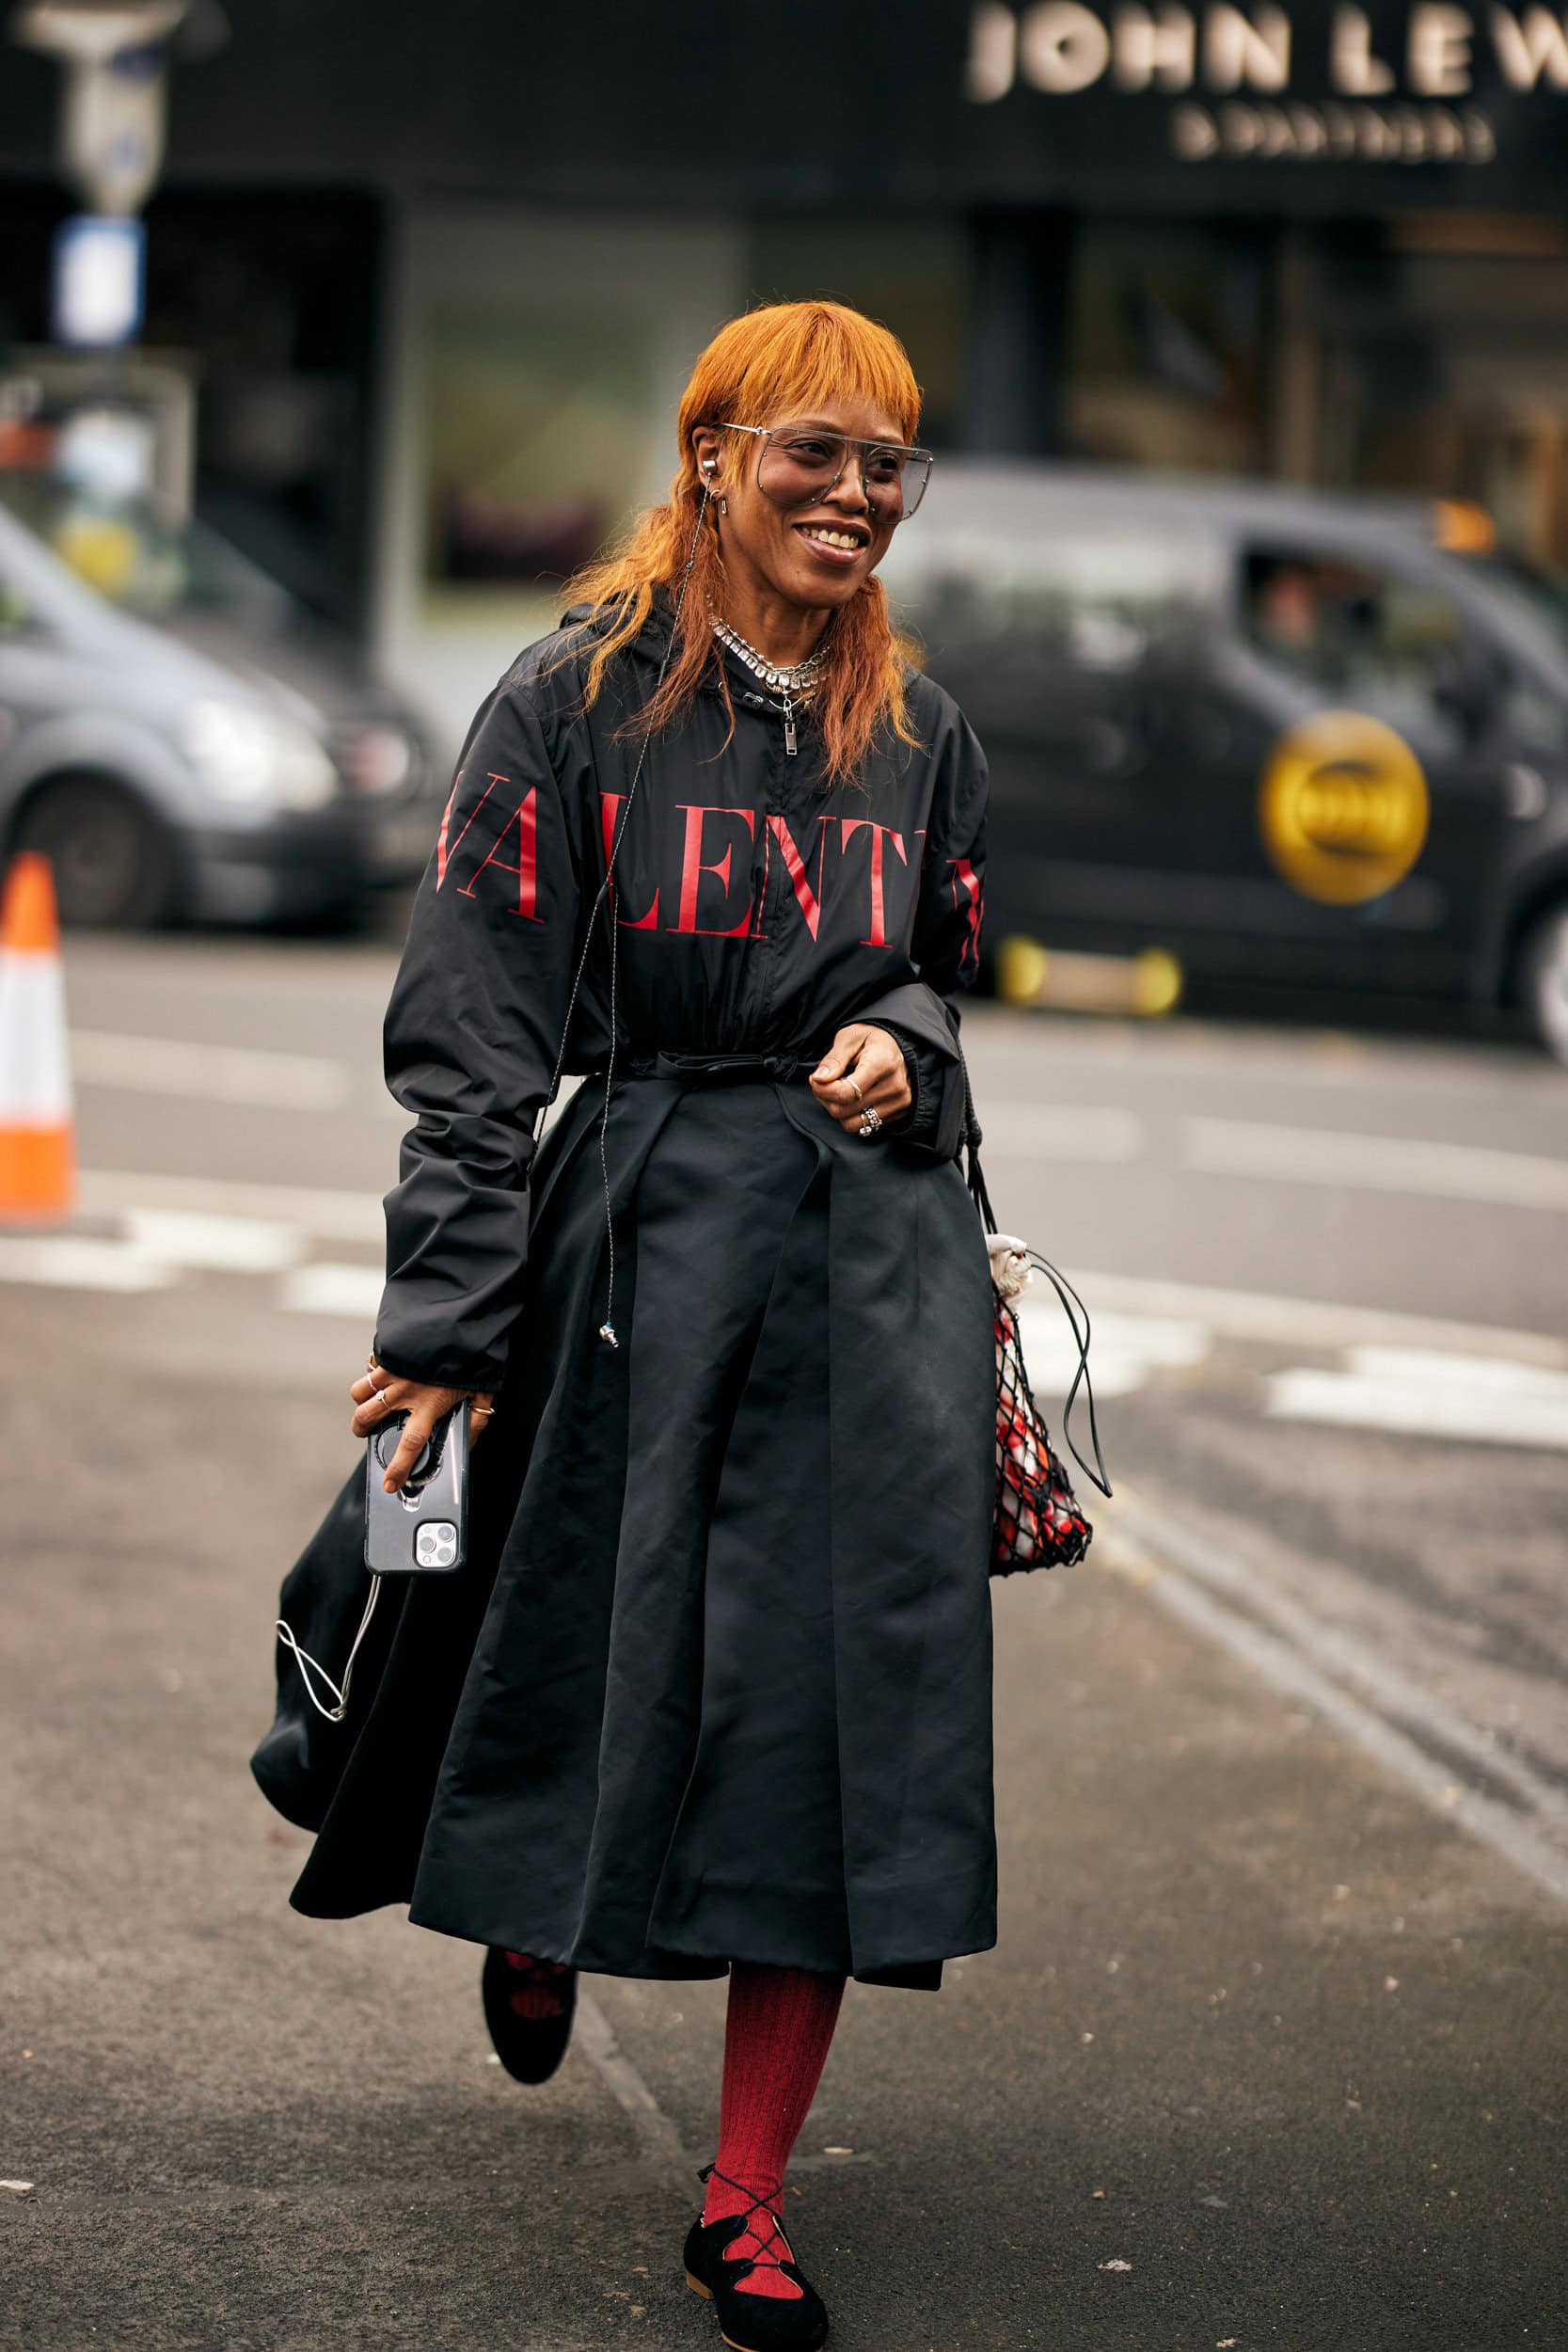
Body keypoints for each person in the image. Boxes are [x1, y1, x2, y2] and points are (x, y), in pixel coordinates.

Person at [253, 299, 994, 2352]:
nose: (853, 495)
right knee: (575, 1628)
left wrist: (899, 1049)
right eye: (811, 455)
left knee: (838, 1733)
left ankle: (742, 2200)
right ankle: (532, 1913)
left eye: (885, 464)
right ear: (708, 461)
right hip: (634, 1228)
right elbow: (475, 1018)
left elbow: (945, 969)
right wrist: (446, 1313)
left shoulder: (923, 730)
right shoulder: (570, 698)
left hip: (868, 1270)